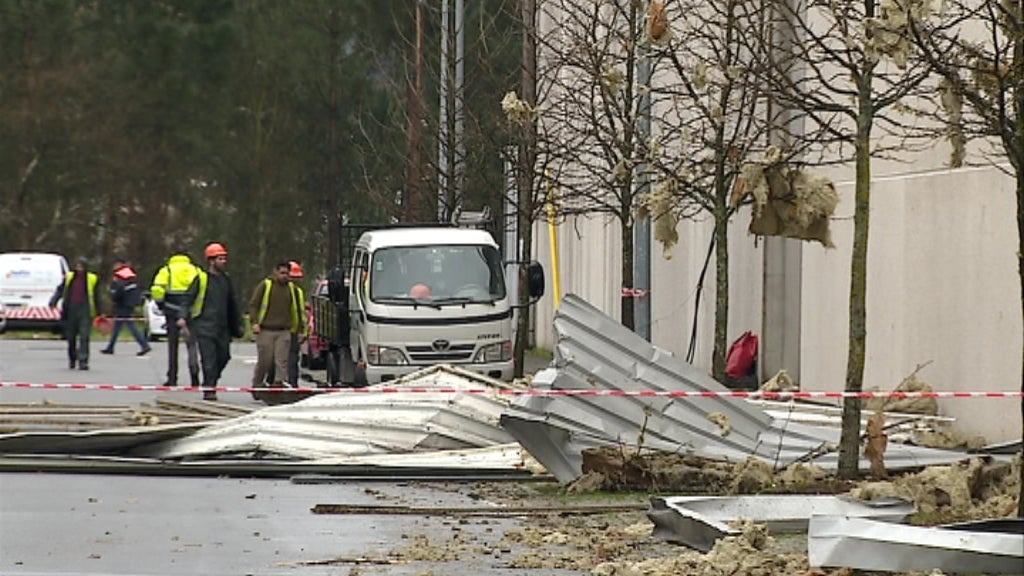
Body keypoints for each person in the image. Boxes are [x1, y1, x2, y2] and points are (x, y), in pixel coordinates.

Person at [185, 242, 243, 401]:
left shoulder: (226, 280)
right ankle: (209, 390)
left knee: (224, 356)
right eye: (220, 258)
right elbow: (188, 298)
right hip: (205, 326)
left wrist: (237, 326)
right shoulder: (201, 279)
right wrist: (183, 317)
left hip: (222, 328)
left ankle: (211, 381)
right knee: (208, 360)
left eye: (224, 258)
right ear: (211, 261)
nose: (224, 261)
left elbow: (232, 304)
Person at [150, 251, 202, 387]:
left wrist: (160, 304)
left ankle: (172, 377)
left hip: (171, 311)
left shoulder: (167, 270)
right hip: (191, 311)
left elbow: (157, 289)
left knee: (172, 346)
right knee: (192, 344)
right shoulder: (196, 270)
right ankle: (195, 376)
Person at [250, 261, 303, 389]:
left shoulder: (292, 289)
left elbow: (297, 310)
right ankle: (257, 383)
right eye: (282, 273)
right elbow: (254, 304)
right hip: (266, 330)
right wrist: (255, 322)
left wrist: (300, 329)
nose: (284, 276)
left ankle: (278, 384)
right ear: (275, 272)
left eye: (287, 273)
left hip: (284, 330)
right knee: (265, 361)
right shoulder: (266, 285)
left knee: (282, 361)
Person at [49, 257, 101, 370]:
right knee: (71, 337)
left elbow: (97, 296)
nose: (79, 268)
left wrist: (100, 312)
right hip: (71, 309)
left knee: (84, 336)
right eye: (77, 266)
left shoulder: (92, 278)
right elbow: (60, 290)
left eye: (81, 266)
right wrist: (54, 301)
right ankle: (72, 358)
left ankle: (83, 361)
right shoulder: (69, 277)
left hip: (85, 310)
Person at [100, 259, 151, 356]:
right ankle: (110, 347)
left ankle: (144, 345)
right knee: (118, 326)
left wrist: (113, 295)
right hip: (129, 303)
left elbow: (118, 290)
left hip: (123, 304)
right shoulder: (129, 274)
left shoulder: (120, 275)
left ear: (119, 264)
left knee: (130, 325)